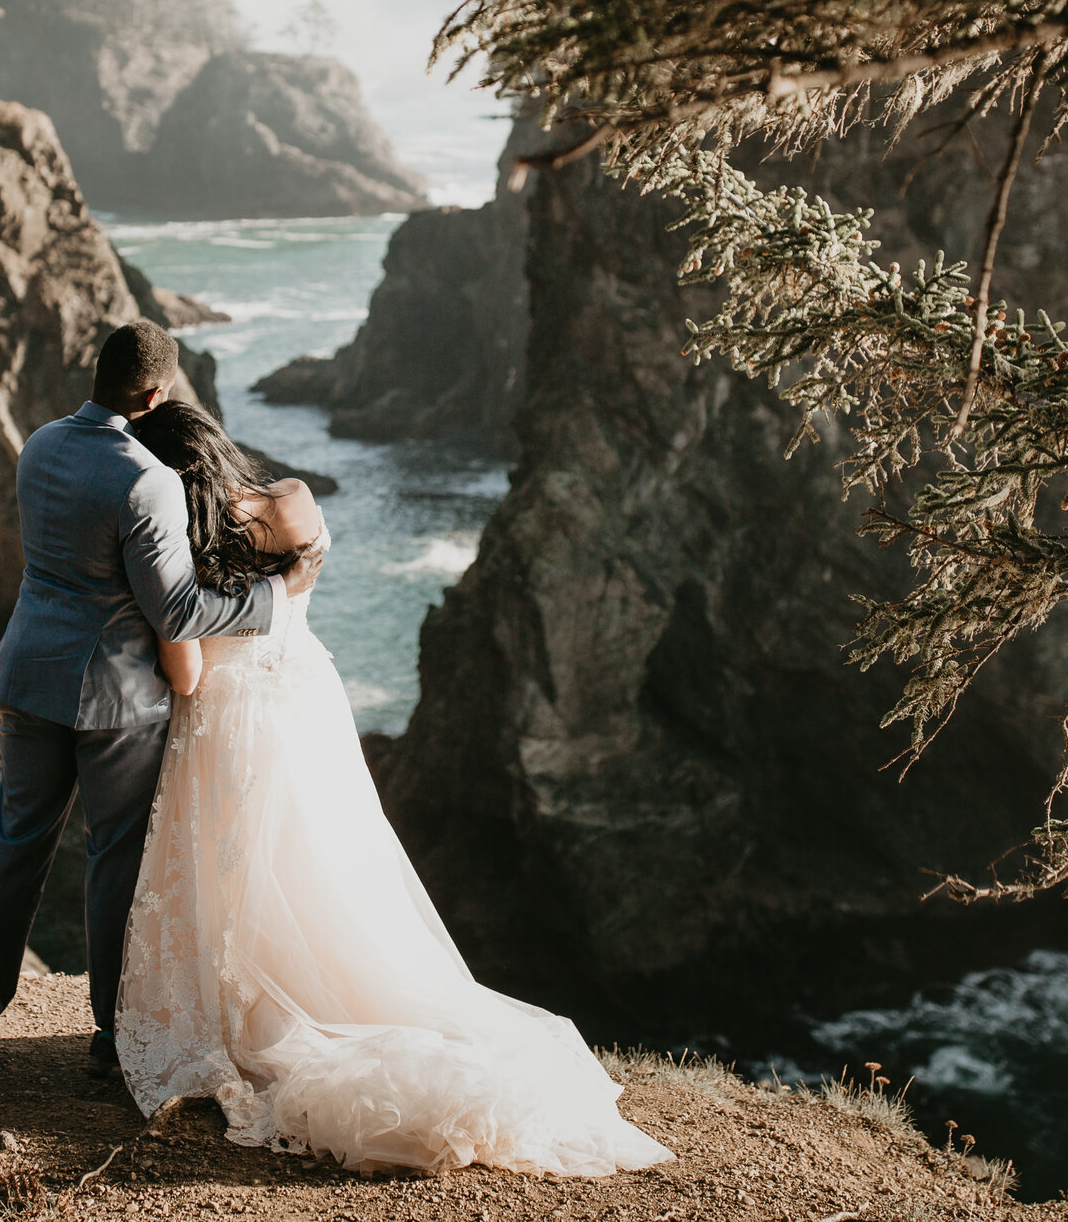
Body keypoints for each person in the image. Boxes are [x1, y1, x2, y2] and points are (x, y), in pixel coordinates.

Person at [114, 401, 673, 1177]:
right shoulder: (291, 502)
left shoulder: (181, 547)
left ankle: (250, 1011)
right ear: (216, 444)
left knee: (233, 875)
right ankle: (339, 992)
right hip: (305, 703)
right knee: (327, 863)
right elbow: (303, 578)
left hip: (225, 722)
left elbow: (186, 670)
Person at [0, 322, 320, 1076]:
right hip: (114, 700)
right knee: (113, 860)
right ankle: (113, 1037)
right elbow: (177, 611)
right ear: (154, 394)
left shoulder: (41, 443)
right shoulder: (147, 482)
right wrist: (275, 593)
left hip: (25, 676)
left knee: (14, 844)